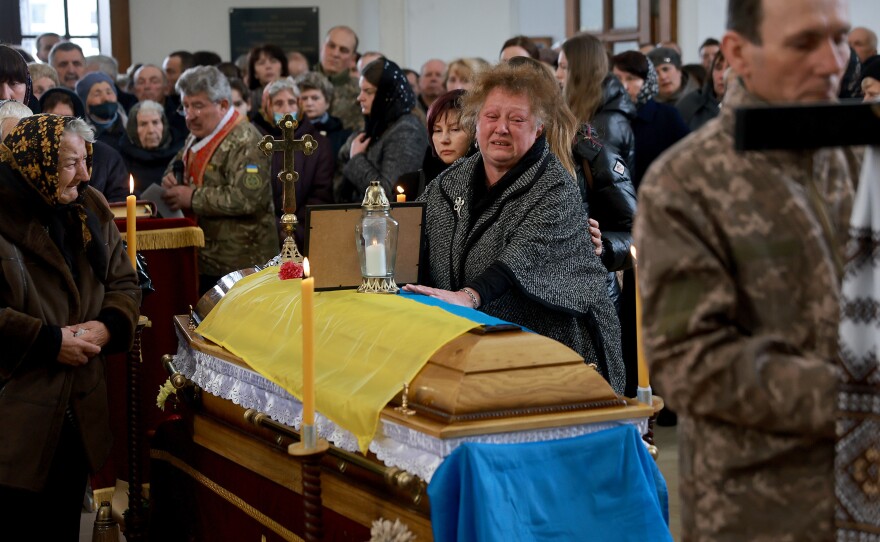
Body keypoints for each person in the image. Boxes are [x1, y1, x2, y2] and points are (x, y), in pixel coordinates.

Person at [633, 0, 857, 538]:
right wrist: (854, 400)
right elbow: (690, 362)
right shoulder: (687, 183)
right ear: (737, 52)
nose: (832, 63)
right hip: (768, 508)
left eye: (840, 39)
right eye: (804, 43)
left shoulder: (858, 160)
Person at [404, 61, 625, 394]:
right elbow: (411, 232)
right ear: (476, 122)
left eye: (517, 119)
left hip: (561, 356)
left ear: (538, 127)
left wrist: (468, 296)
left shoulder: (556, 188)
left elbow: (521, 256)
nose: (501, 128)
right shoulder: (451, 181)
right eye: (491, 116)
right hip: (476, 350)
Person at [0, 114, 141, 540]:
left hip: (77, 406)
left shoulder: (88, 205)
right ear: (35, 162)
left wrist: (107, 327)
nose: (83, 175)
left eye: (85, 160)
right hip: (16, 411)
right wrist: (48, 341)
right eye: (68, 163)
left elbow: (124, 282)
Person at [161, 66, 278, 295]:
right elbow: (179, 163)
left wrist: (192, 198)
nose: (190, 115)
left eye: (198, 106)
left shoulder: (246, 140)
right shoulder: (199, 133)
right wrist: (171, 177)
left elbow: (247, 199)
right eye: (185, 106)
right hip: (206, 258)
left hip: (241, 264)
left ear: (223, 105)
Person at [251, 77, 334, 247]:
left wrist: (296, 231)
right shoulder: (254, 140)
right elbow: (254, 194)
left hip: (305, 233)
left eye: (291, 102)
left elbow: (321, 194)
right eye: (278, 103)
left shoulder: (316, 143)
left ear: (299, 105)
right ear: (266, 107)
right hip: (262, 234)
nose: (286, 109)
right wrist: (277, 229)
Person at [337, 58, 428, 203]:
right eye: (361, 90)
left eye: (368, 92)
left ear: (387, 95)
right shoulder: (378, 124)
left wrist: (356, 159)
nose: (360, 98)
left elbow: (389, 194)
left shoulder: (407, 130)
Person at [557, 33, 636, 171]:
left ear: (582, 71)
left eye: (564, 67)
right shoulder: (585, 108)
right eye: (558, 66)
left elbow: (609, 180)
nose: (557, 74)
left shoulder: (608, 123)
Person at [611, 51, 689, 188]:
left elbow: (687, 161)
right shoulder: (607, 117)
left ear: (647, 81)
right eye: (617, 78)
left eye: (631, 78)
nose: (623, 86)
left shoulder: (667, 117)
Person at [40, 87, 130, 203]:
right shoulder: (34, 158)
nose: (61, 128)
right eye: (54, 120)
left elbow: (120, 198)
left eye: (67, 120)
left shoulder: (107, 157)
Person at [398, 88, 470, 198]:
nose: (444, 140)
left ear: (476, 132)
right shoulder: (411, 185)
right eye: (437, 130)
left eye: (455, 129)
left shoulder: (487, 181)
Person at [119, 100, 186, 192]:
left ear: (164, 124)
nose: (151, 130)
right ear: (133, 129)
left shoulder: (182, 153)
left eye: (155, 122)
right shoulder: (122, 159)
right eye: (143, 124)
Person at [315, 25, 362, 132]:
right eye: (331, 46)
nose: (335, 54)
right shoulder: (299, 86)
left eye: (343, 50)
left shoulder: (360, 93)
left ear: (353, 58)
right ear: (322, 47)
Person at [296, 71, 351, 159]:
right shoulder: (289, 131)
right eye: (304, 98)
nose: (309, 103)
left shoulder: (342, 135)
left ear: (327, 102)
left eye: (315, 98)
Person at [75, 71, 128, 152]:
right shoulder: (80, 136)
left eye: (109, 92)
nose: (105, 99)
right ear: (84, 103)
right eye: (97, 94)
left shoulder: (129, 129)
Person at [677, 50, 729, 131]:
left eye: (729, 69)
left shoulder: (750, 105)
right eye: (718, 68)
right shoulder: (690, 104)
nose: (722, 75)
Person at [246, 44, 289, 119]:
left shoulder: (295, 95)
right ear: (255, 73)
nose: (268, 66)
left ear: (282, 68)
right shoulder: (249, 99)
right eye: (261, 63)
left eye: (273, 61)